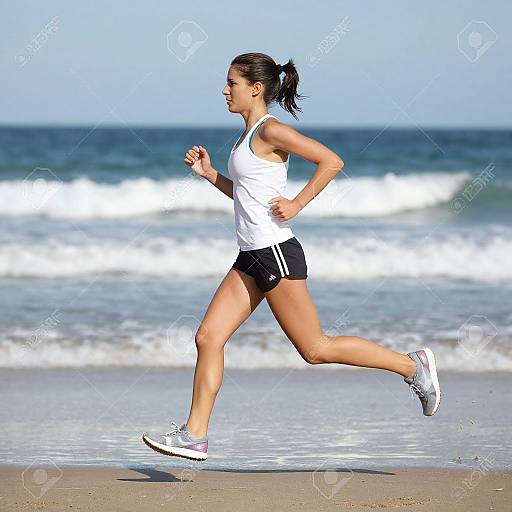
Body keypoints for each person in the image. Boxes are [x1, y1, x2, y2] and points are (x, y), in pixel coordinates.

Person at [142, 52, 441, 461]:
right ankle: (195, 435)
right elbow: (247, 197)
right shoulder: (245, 138)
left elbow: (331, 161)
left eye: (232, 83)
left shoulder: (271, 131)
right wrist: (212, 175)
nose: (224, 90)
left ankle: (412, 366)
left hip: (275, 254)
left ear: (256, 88)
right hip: (250, 255)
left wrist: (298, 203)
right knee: (208, 337)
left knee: (315, 348)